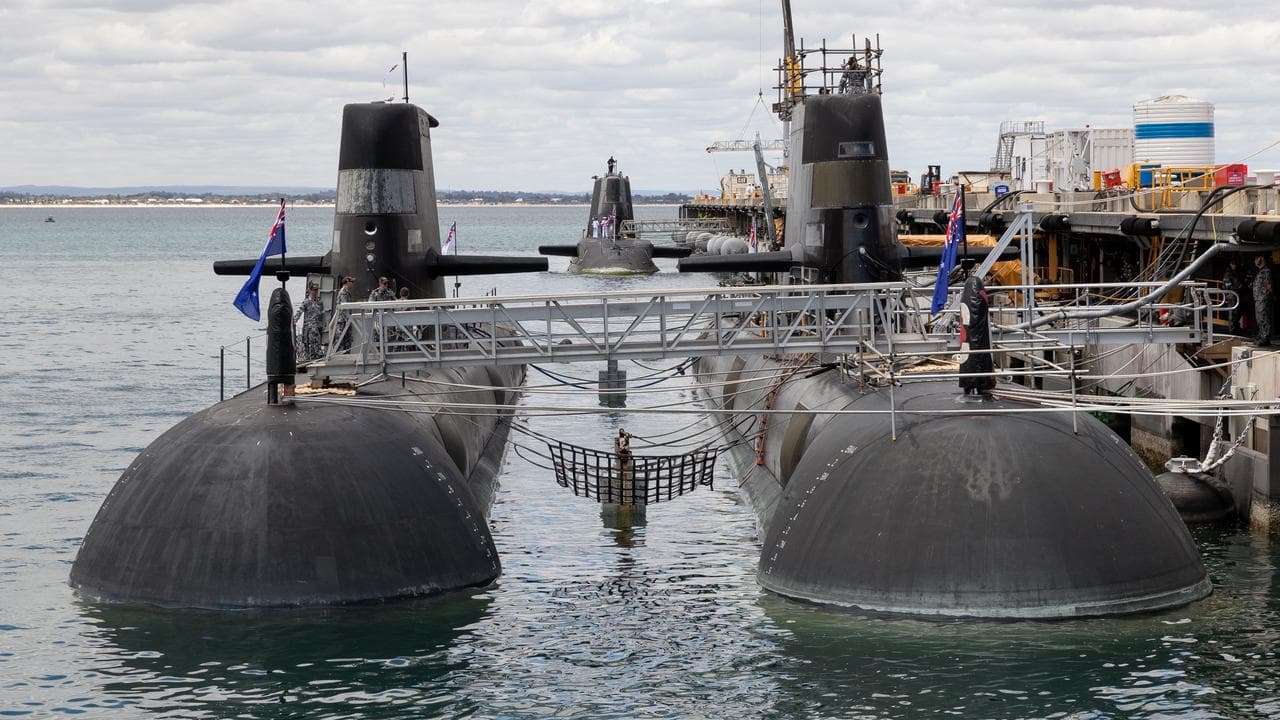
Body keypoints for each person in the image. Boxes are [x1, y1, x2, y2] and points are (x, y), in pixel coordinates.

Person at [292, 283, 325, 362]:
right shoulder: (306, 302)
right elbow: (300, 311)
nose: (316, 292)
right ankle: (312, 357)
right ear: (310, 290)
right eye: (314, 290)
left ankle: (316, 357)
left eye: (317, 290)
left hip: (318, 326)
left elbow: (322, 314)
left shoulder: (319, 302)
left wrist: (324, 323)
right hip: (310, 327)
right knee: (311, 343)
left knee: (317, 342)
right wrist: (295, 320)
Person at [1222, 256, 1250, 335]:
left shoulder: (1235, 272)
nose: (1235, 265)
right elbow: (1227, 284)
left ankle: (1236, 327)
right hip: (1232, 294)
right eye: (1233, 264)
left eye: (1235, 264)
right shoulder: (1228, 273)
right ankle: (1232, 329)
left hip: (1236, 294)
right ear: (1231, 264)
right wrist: (1239, 286)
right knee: (1233, 312)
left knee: (1237, 311)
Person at [1253, 255, 1274, 346]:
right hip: (1258, 298)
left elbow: (1268, 286)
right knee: (1259, 318)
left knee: (1264, 318)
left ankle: (1265, 338)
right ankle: (1262, 335)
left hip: (1263, 299)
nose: (1255, 261)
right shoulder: (1260, 271)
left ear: (1261, 260)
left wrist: (1267, 296)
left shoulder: (1266, 271)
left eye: (1256, 259)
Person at [334, 276, 355, 351]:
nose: (352, 283)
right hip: (343, 320)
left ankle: (347, 356)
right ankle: (334, 355)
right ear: (347, 282)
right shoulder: (343, 292)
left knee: (348, 340)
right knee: (339, 339)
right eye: (351, 282)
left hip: (347, 319)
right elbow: (345, 305)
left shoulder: (347, 292)